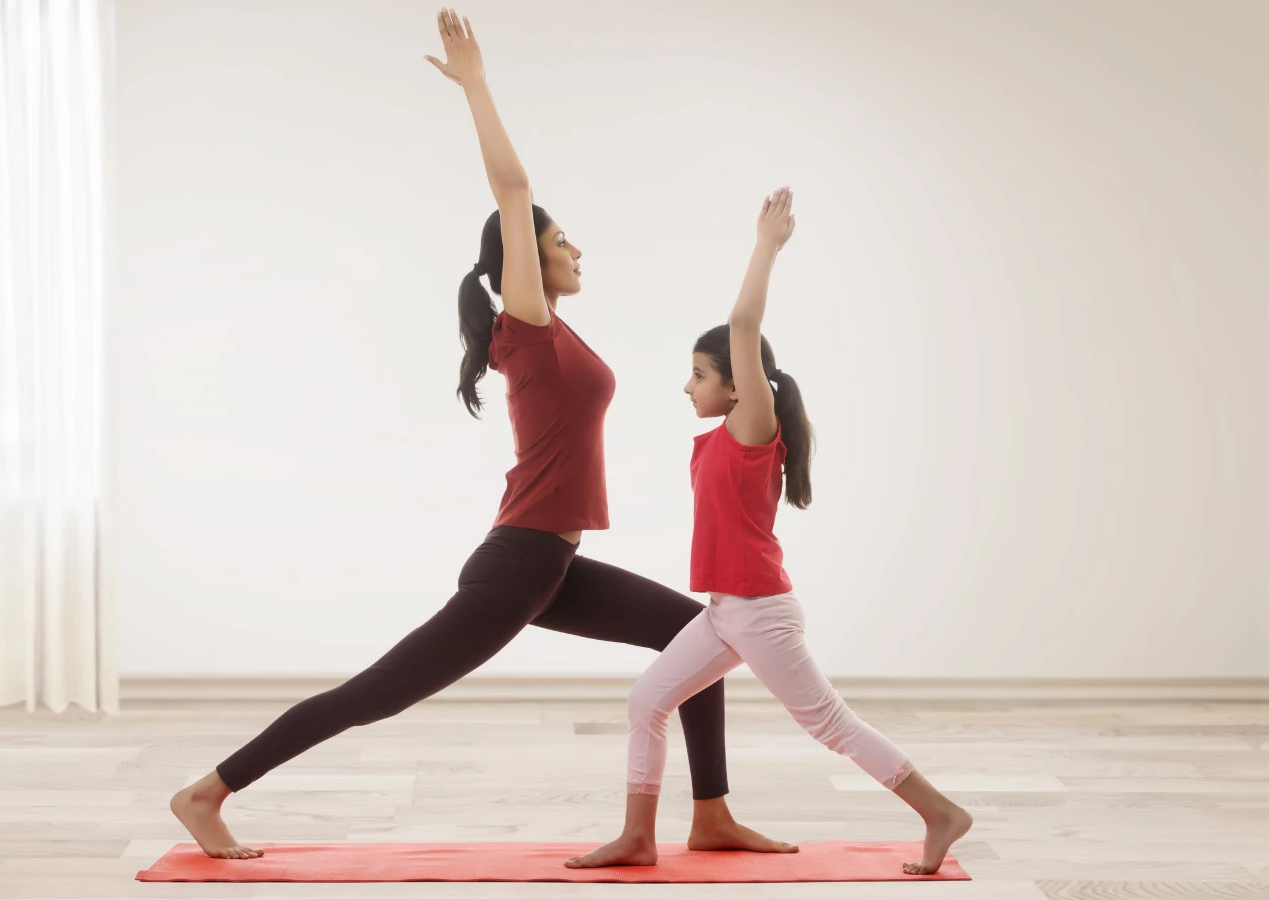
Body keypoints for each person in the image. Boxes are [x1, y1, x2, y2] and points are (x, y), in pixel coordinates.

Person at [167, 9, 792, 861]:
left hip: (550, 561)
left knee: (699, 640)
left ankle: (711, 813)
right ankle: (208, 791)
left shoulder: (556, 336)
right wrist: (477, 87)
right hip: (519, 561)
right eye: (559, 239)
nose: (575, 247)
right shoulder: (526, 327)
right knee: (380, 692)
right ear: (523, 262)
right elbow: (513, 192)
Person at [566, 187, 973, 875]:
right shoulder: (723, 437)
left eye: (698, 375)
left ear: (737, 386)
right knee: (647, 701)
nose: (686, 387)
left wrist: (766, 247)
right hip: (728, 612)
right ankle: (637, 836)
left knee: (829, 725)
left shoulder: (754, 429)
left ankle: (941, 813)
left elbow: (744, 323)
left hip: (760, 611)